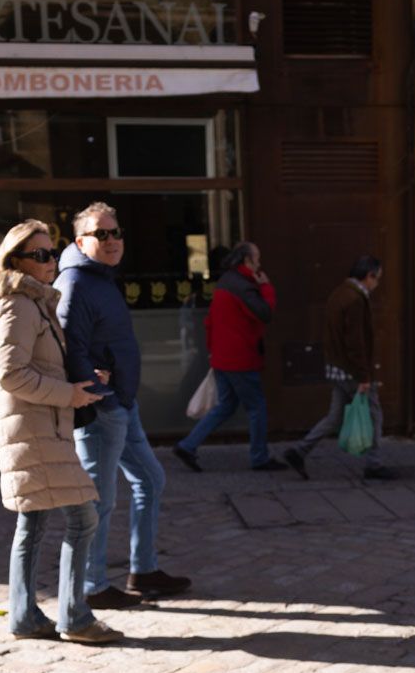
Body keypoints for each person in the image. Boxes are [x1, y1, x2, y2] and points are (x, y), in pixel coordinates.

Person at [0, 221, 121, 644]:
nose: (51, 261)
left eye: (52, 252)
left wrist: (83, 380)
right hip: (32, 428)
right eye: (41, 255)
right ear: (16, 261)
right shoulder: (17, 305)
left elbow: (42, 365)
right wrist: (68, 394)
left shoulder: (35, 302)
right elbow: (11, 374)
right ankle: (73, 616)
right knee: (82, 516)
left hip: (43, 427)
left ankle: (26, 616)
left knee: (34, 522)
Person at [54, 202, 192, 610]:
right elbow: (69, 343)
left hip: (122, 406)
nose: (112, 240)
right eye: (102, 234)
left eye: (116, 233)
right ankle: (93, 586)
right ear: (81, 241)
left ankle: (143, 571)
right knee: (99, 500)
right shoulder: (75, 282)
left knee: (150, 481)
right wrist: (96, 389)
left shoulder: (101, 278)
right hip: (101, 409)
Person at [173, 242, 288, 473]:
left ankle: (188, 445)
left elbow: (210, 323)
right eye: (257, 259)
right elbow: (265, 313)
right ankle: (259, 457)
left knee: (225, 405)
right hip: (240, 358)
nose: (259, 263)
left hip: (222, 357)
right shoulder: (243, 287)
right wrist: (266, 287)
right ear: (247, 261)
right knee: (256, 407)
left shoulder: (225, 282)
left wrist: (212, 351)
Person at [282, 255, 394, 481]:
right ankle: (374, 464)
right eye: (377, 279)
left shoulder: (339, 293)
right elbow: (356, 342)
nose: (377, 284)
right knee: (375, 415)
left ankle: (300, 450)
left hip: (338, 368)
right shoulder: (355, 299)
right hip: (353, 370)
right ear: (369, 276)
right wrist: (364, 376)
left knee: (334, 417)